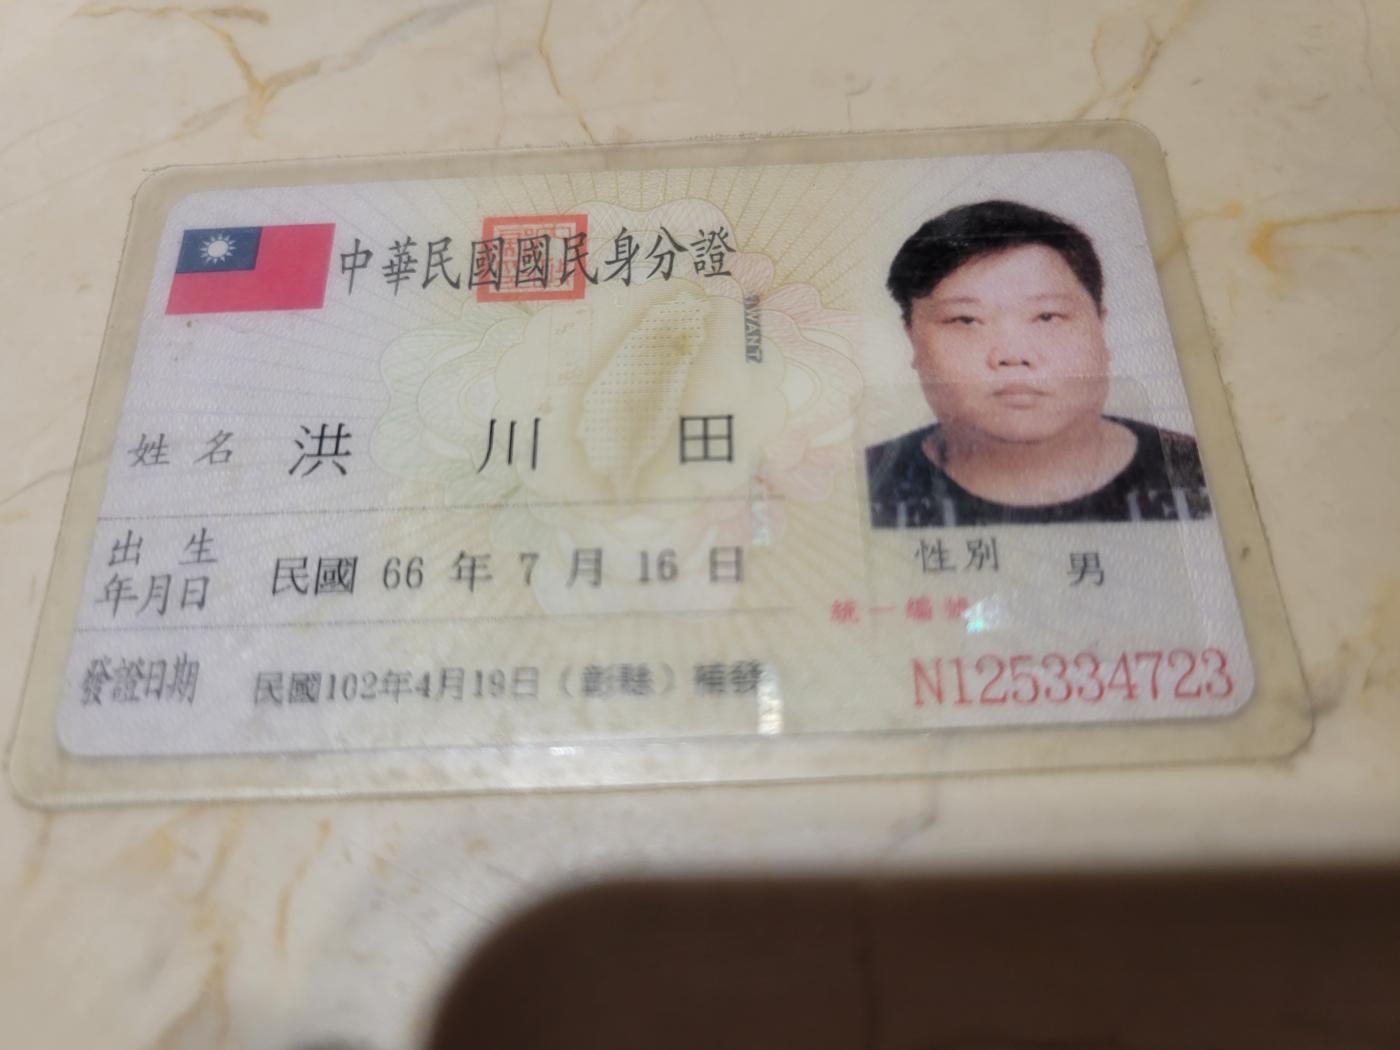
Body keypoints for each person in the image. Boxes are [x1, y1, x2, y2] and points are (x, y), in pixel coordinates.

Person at [866, 200, 1212, 528]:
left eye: (1047, 316)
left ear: (1101, 327)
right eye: (966, 320)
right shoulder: (864, 485)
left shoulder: (1199, 469)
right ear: (912, 338)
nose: (1013, 355)